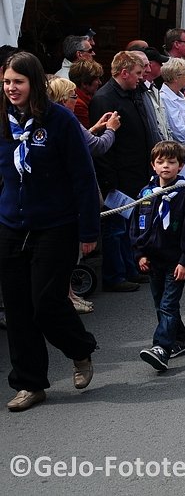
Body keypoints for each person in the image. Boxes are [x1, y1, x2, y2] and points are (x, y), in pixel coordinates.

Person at [0, 52, 101, 411]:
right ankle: (30, 384)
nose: (12, 88)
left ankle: (79, 349)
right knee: (17, 309)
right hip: (11, 224)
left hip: (56, 225)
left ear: (35, 84)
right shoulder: (2, 119)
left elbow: (84, 178)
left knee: (45, 302)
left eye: (19, 82)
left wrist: (89, 230)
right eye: (7, 81)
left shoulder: (59, 120)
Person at [91, 51, 162, 291]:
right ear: (124, 73)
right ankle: (115, 275)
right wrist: (109, 179)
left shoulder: (134, 93)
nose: (142, 78)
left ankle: (131, 267)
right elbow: (103, 145)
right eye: (138, 73)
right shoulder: (105, 98)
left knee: (132, 225)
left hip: (137, 170)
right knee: (115, 229)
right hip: (118, 174)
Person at [131, 141, 185, 372]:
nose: (166, 167)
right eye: (160, 162)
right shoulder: (146, 194)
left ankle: (161, 348)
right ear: (153, 165)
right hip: (153, 261)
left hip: (174, 262)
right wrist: (139, 253)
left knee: (169, 305)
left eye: (172, 162)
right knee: (160, 304)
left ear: (181, 166)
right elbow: (136, 225)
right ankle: (179, 339)